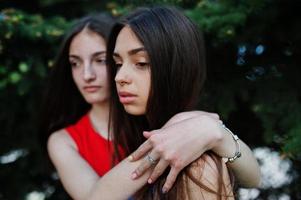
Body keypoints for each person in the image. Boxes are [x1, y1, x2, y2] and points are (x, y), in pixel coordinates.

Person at [43, 11, 260, 200]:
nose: (87, 75)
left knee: (202, 168)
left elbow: (254, 178)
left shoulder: (162, 116)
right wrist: (170, 139)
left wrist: (215, 133)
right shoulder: (65, 140)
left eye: (101, 60)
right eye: (75, 63)